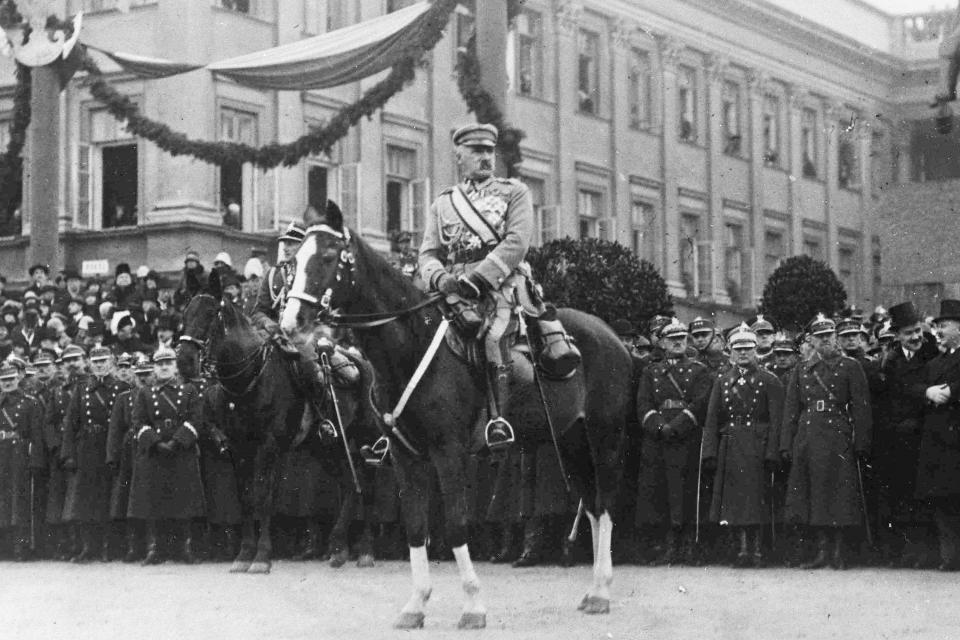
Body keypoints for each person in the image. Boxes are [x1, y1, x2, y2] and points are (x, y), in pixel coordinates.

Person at [418, 123, 580, 448]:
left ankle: (497, 420)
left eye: (489, 151)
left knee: (494, 338)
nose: (485, 157)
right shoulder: (443, 203)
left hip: (502, 286)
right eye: (476, 151)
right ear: (459, 155)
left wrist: (478, 280)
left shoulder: (513, 192)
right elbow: (428, 253)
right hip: (452, 291)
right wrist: (441, 277)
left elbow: (517, 242)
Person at [779, 313, 872, 570]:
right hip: (808, 436)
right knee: (813, 494)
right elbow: (791, 410)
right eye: (820, 337)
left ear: (835, 337)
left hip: (837, 435)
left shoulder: (850, 367)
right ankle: (821, 551)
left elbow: (861, 409)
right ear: (811, 340)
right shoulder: (802, 369)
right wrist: (786, 444)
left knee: (839, 494)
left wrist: (861, 442)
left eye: (829, 336)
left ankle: (839, 552)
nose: (825, 341)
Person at [701, 324, 783, 567]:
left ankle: (757, 550)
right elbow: (713, 419)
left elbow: (776, 419)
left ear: (756, 350)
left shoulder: (769, 380)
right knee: (735, 502)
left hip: (758, 445)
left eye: (748, 348)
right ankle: (741, 549)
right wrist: (710, 451)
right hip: (732, 444)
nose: (743, 353)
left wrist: (772, 451)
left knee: (756, 499)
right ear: (730, 352)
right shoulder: (723, 381)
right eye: (738, 349)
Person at [635, 318, 712, 565]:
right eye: (672, 340)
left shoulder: (699, 370)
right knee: (660, 491)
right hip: (658, 438)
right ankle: (668, 545)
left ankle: (688, 546)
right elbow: (643, 404)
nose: (678, 343)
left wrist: (677, 426)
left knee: (686, 491)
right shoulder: (651, 371)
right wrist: (659, 426)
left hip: (686, 437)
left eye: (681, 339)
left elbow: (700, 403)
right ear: (663, 343)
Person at [128, 347, 205, 565]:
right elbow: (138, 422)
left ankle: (184, 548)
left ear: (175, 367)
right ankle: (155, 548)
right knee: (154, 502)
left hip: (182, 451)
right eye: (160, 364)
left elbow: (197, 419)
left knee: (184, 501)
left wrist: (177, 441)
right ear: (154, 367)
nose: (164, 367)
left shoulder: (189, 390)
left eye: (168, 363)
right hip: (154, 453)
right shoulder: (145, 393)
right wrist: (156, 442)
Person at [876, 301, 939, 567]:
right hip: (897, 438)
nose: (915, 337)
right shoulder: (890, 361)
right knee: (900, 495)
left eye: (917, 331)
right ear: (897, 335)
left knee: (923, 495)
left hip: (925, 435)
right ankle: (905, 551)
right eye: (908, 333)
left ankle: (926, 552)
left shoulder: (933, 353)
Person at [60, 346, 130, 562]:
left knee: (110, 497)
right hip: (86, 448)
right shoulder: (82, 389)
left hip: (111, 447)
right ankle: (89, 547)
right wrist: (68, 454)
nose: (99, 365)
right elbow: (71, 423)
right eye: (95, 361)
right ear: (89, 363)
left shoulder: (122, 387)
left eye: (103, 360)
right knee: (86, 500)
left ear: (111, 362)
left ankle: (110, 547)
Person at [913, 299, 960, 571]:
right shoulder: (935, 363)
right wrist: (927, 393)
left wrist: (952, 391)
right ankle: (949, 556)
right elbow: (921, 388)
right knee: (942, 500)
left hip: (955, 437)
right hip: (938, 440)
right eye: (938, 326)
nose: (939, 331)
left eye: (945, 325)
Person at [0, 361, 46, 560]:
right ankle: (5, 547)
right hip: (2, 454)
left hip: (20, 454)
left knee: (20, 501)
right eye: (3, 380)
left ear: (18, 378)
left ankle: (21, 547)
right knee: (3, 499)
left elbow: (37, 434)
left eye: (11, 379)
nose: (7, 383)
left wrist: (36, 460)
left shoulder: (30, 402)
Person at [106, 352, 144, 563]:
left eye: (133, 369)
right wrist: (112, 456)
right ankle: (131, 545)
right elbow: (115, 429)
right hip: (128, 452)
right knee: (125, 500)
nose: (128, 372)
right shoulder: (123, 398)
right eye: (124, 368)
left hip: (148, 450)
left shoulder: (150, 393)